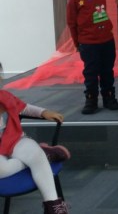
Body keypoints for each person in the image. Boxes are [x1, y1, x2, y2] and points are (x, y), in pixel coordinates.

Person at [0, 65, 70, 213]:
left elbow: (23, 108)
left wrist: (44, 112)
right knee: (3, 169)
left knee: (35, 154)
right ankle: (45, 155)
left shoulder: (4, 96)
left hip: (13, 138)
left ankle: (53, 206)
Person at [67, 0, 118, 115]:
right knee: (91, 72)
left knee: (107, 70)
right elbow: (72, 23)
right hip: (88, 43)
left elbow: (101, 15)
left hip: (107, 40)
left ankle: (109, 97)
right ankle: (91, 100)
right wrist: (77, 43)